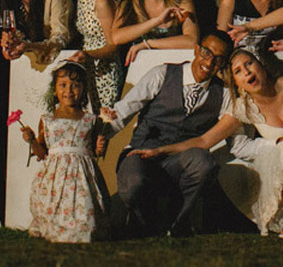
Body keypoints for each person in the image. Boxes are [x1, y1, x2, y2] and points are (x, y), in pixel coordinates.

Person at [135, 48, 283, 238]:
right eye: (238, 71)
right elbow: (205, 140)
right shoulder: (244, 107)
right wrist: (161, 149)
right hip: (280, 164)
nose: (246, 72)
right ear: (236, 82)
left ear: (261, 65)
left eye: (249, 64)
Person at [99, 32, 238, 237]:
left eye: (219, 59)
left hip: (180, 162)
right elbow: (123, 111)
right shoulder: (162, 73)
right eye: (207, 52)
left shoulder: (224, 93)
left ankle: (178, 224)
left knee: (204, 162)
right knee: (133, 182)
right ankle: (143, 223)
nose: (210, 62)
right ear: (197, 49)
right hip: (142, 154)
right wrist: (101, 133)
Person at [19, 61, 110, 243]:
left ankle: (84, 229)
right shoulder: (48, 119)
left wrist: (101, 146)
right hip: (56, 176)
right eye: (63, 85)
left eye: (75, 85)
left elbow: (95, 151)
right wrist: (31, 140)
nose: (69, 90)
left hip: (83, 176)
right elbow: (42, 152)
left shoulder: (91, 120)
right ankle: (54, 228)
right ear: (54, 90)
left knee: (84, 209)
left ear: (84, 90)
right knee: (54, 206)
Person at [69, 0, 122, 109]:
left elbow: (113, 45)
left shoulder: (102, 1)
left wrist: (88, 55)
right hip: (88, 68)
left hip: (104, 72)